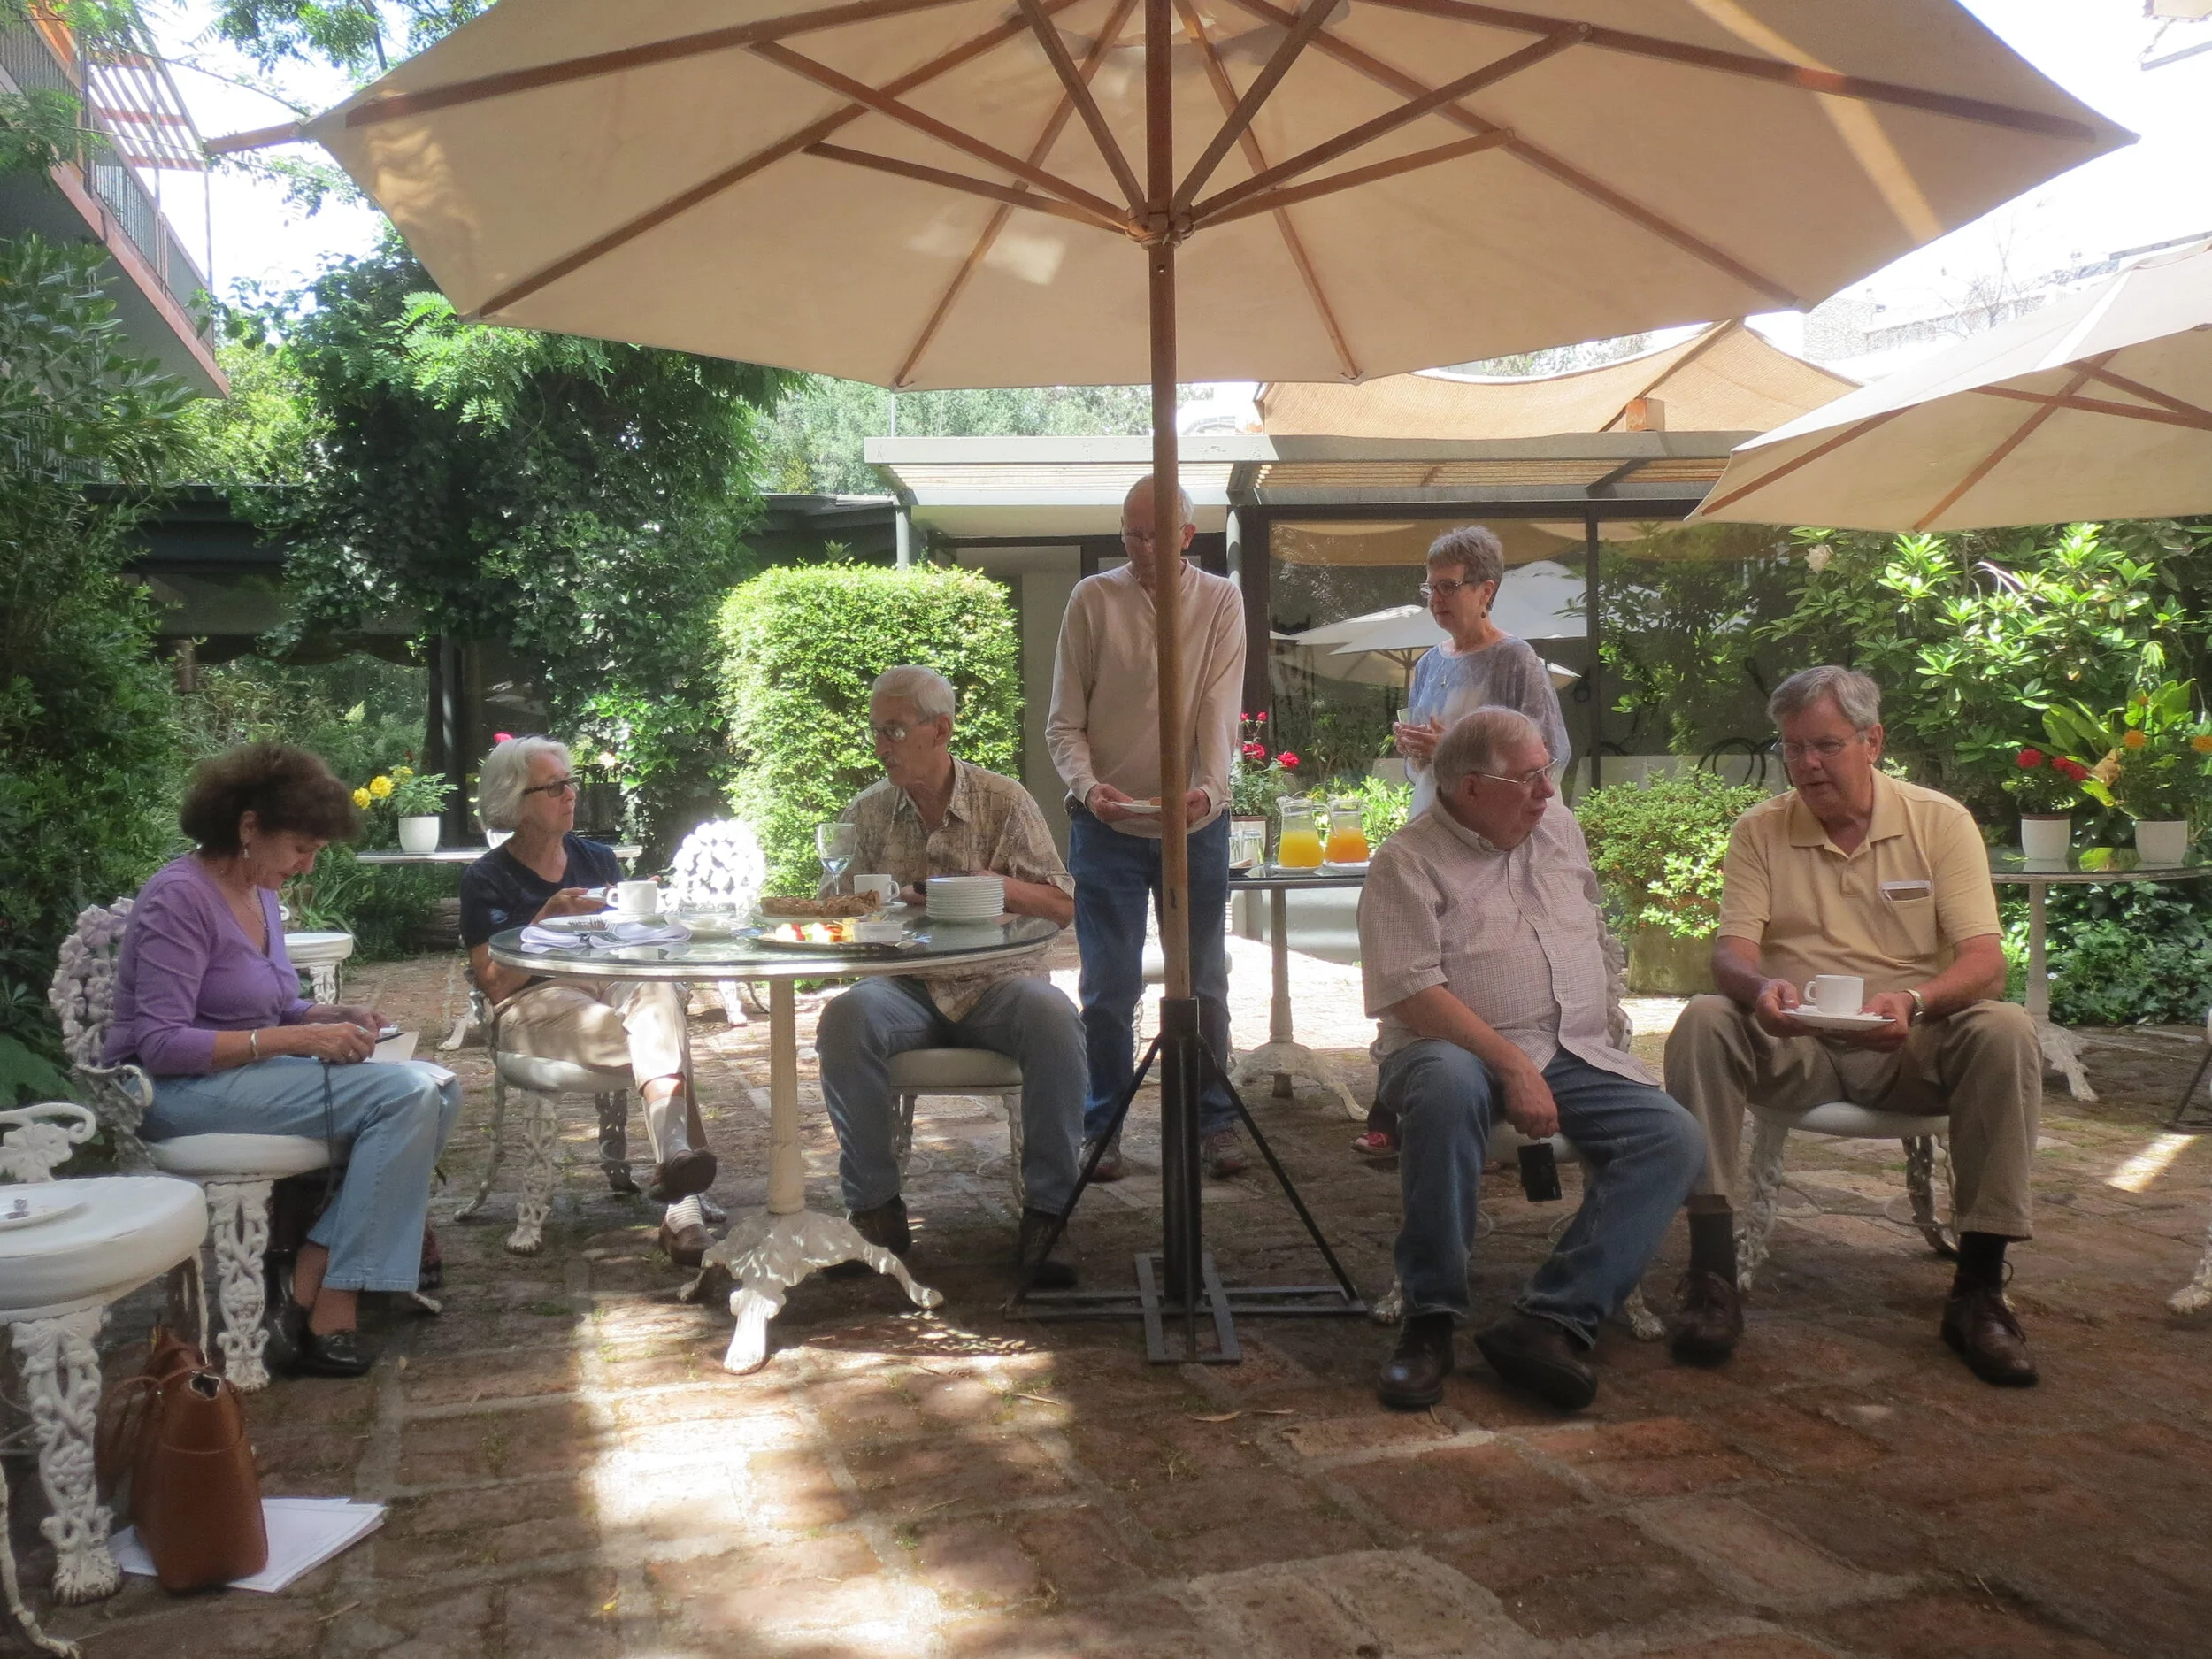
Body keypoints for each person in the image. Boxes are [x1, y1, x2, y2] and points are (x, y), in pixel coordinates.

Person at [1663, 666, 2042, 1386]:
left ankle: (1980, 1292)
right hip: (1798, 1040)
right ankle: (1711, 1277)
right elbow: (1730, 954)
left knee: (2006, 1028)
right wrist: (1760, 986)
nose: (1807, 764)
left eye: (1825, 745)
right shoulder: (1761, 830)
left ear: (1873, 742)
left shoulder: (1939, 821)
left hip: (1911, 1040)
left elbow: (1985, 963)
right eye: (1793, 748)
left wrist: (1915, 1001)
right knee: (1705, 1020)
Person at [1359, 710, 1705, 1412]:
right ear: (1471, 787)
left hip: (1572, 1047)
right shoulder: (1407, 860)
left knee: (1673, 1137)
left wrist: (1605, 1024)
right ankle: (1429, 1321)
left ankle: (1551, 1318)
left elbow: (1595, 926)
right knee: (1451, 1090)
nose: (1547, 789)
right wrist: (1512, 1065)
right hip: (1445, 1048)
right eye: (1529, 777)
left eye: (1548, 770)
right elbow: (1412, 993)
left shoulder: (1559, 827)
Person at [104, 744, 462, 1379]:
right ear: (248, 828)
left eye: (316, 850)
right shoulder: (177, 899)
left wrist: (319, 1016)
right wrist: (294, 1041)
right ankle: (333, 1300)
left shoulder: (260, 891)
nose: (306, 863)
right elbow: (160, 1043)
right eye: (300, 846)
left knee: (441, 1084)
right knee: (406, 1095)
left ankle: (308, 1274)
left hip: (246, 1076)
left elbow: (266, 1005)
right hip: (174, 1093)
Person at [814, 666, 1085, 1285]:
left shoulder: (1003, 800)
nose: (881, 745)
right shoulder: (869, 812)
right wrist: (856, 903)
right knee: (846, 1016)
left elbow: (1063, 904)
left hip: (997, 983)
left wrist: (1002, 888)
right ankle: (874, 1210)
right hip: (905, 989)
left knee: (1054, 1017)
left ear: (941, 730)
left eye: (894, 730)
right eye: (876, 731)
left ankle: (1049, 1213)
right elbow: (835, 911)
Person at [1047, 474, 1249, 1182]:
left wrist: (1210, 790)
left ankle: (1213, 1119)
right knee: (1107, 985)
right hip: (1106, 826)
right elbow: (1063, 724)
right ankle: (1101, 1124)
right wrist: (1087, 786)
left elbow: (1221, 713)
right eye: (1130, 533)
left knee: (1205, 982)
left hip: (1194, 824)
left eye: (1154, 534)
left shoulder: (1221, 600)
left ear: (1188, 536)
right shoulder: (1092, 600)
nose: (1139, 546)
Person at [1358, 524, 1575, 1157]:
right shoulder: (1428, 663)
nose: (1437, 599)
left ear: (1488, 590)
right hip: (1435, 826)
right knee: (1410, 952)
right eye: (1431, 587)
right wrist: (1417, 753)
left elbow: (1547, 751)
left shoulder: (1516, 660)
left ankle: (1485, 1084)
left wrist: (1449, 744)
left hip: (1500, 834)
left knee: (1474, 956)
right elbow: (1425, 764)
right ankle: (1403, 1094)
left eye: (1450, 587)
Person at [462, 736, 718, 1268]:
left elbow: (632, 949)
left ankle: (674, 1168)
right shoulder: (486, 877)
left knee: (657, 992)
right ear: (515, 800)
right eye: (553, 786)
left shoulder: (598, 858)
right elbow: (494, 985)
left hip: (614, 983)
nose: (569, 793)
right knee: (661, 1035)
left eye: (570, 781)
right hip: (536, 1000)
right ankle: (683, 1205)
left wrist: (649, 917)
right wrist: (542, 924)